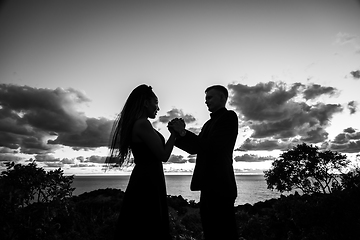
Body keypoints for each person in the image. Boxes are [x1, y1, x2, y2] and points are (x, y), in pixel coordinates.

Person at [168, 85, 239, 240]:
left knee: (225, 233)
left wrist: (183, 132)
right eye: (206, 98)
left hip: (221, 185)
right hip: (208, 186)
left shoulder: (229, 117)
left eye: (209, 97)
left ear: (222, 98)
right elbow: (195, 147)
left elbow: (212, 146)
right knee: (210, 232)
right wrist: (178, 135)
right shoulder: (208, 124)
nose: (206, 101)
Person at [107, 84, 176, 240]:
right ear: (146, 103)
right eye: (156, 103)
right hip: (148, 179)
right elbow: (163, 155)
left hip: (146, 176)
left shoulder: (138, 123)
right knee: (149, 225)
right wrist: (175, 134)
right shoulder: (142, 124)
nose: (158, 108)